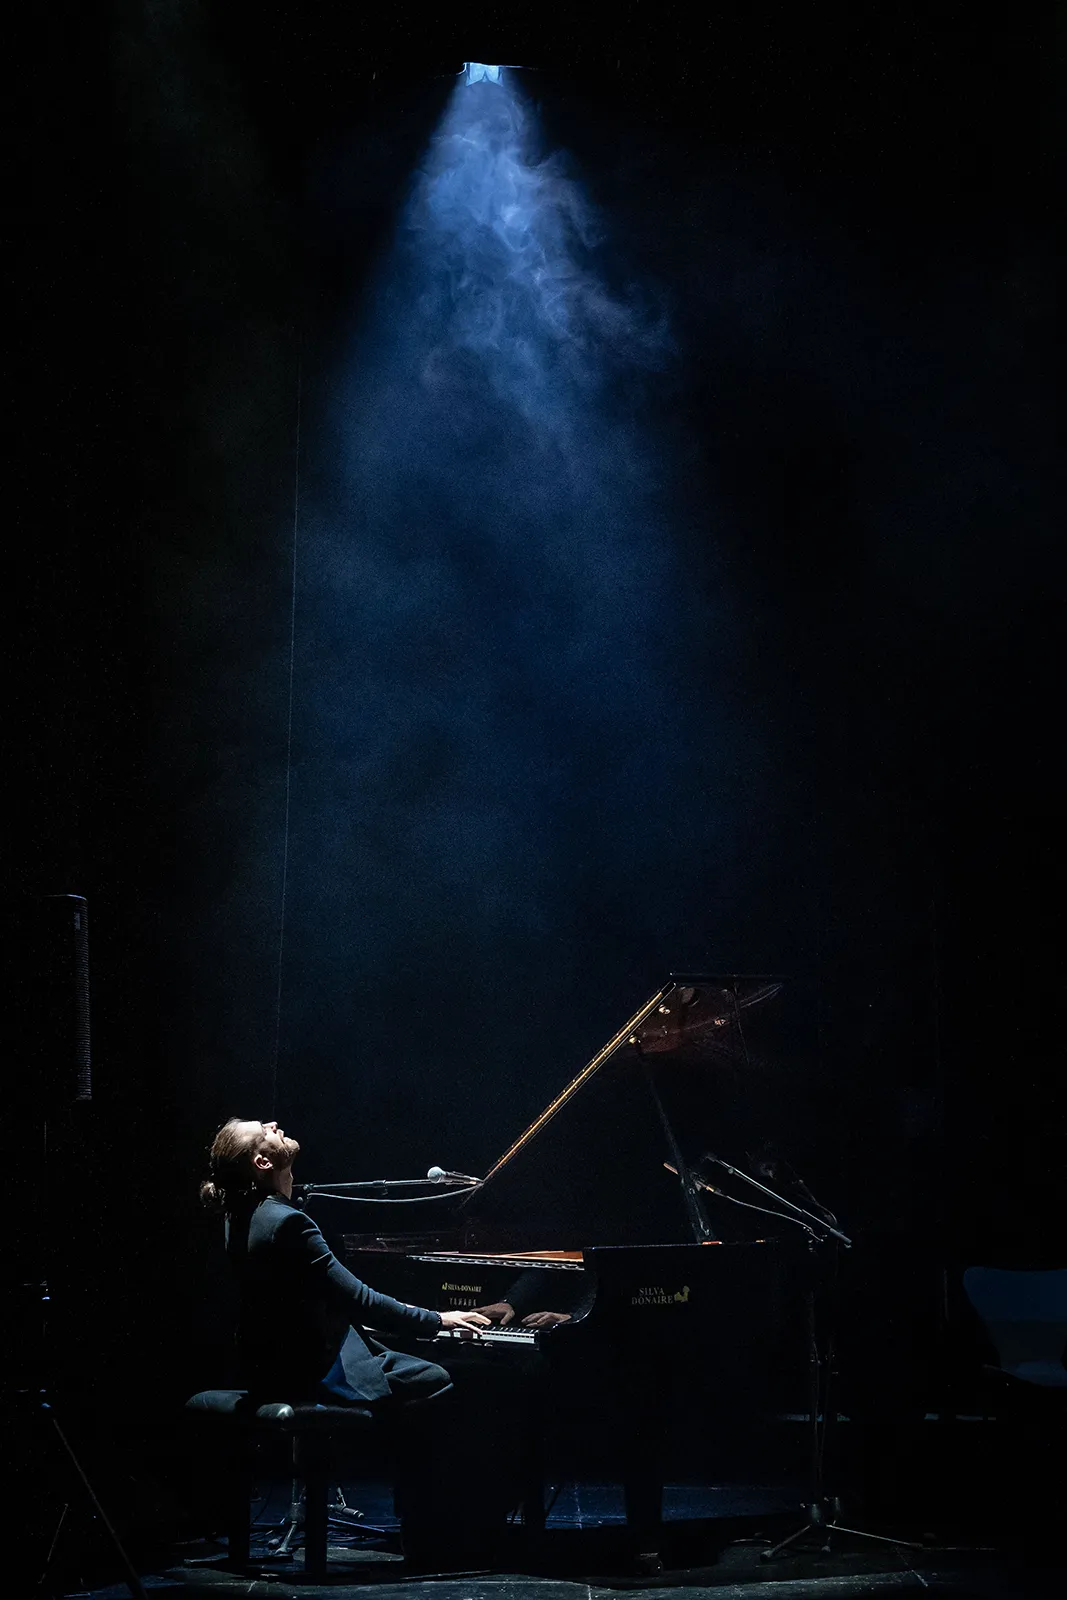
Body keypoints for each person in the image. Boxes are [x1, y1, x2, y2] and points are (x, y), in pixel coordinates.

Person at [200, 1117, 490, 1564]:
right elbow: (362, 1300)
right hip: (311, 1372)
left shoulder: (240, 1216)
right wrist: (438, 1319)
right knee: (437, 1379)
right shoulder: (288, 1222)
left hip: (269, 1367)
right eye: (264, 1130)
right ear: (262, 1161)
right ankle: (432, 1526)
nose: (275, 1124)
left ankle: (428, 1517)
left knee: (413, 1370)